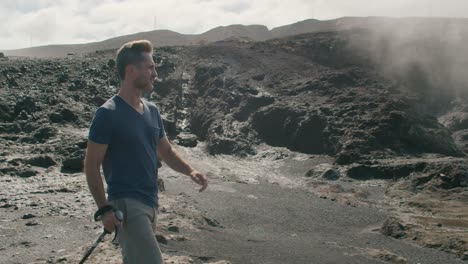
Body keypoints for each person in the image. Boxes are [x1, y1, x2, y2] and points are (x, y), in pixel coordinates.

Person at [84, 39, 208, 264]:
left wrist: (190, 171)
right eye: (150, 67)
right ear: (131, 70)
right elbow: (91, 164)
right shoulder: (107, 114)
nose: (155, 74)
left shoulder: (152, 111)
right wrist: (104, 209)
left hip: (151, 201)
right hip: (126, 204)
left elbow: (166, 151)